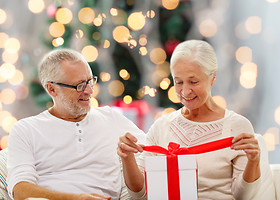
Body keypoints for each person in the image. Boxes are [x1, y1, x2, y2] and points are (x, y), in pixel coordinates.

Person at [117, 39, 261, 199]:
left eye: (193, 82)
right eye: (178, 82)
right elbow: (140, 195)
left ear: (213, 77)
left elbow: (243, 196)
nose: (185, 91)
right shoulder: (162, 126)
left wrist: (253, 161)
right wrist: (127, 158)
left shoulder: (237, 126)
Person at [7, 48, 145, 200]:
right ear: (52, 89)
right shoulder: (25, 130)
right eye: (79, 85)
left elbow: (155, 151)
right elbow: (20, 190)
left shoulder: (112, 118)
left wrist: (128, 155)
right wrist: (76, 199)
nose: (89, 91)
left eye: (90, 81)